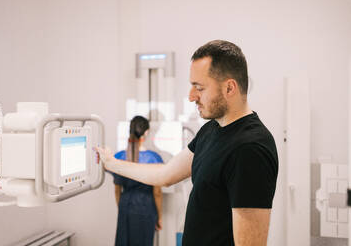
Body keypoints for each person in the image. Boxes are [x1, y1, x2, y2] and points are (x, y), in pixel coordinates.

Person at [95, 40, 278, 246]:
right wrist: (111, 163)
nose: (191, 97)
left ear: (229, 88)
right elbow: (165, 175)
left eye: (199, 88)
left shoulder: (250, 149)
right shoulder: (211, 129)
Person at [112, 116, 163, 246]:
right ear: (146, 132)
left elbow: (117, 190)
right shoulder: (154, 158)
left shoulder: (118, 157)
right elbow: (157, 192)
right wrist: (159, 216)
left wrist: (122, 209)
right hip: (146, 206)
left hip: (125, 205)